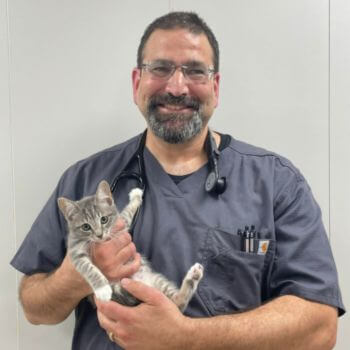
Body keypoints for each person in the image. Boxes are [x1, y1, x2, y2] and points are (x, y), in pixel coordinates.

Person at [11, 11, 345, 350]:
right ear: (136, 82)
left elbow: (319, 328)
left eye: (195, 71)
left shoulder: (276, 184)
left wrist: (185, 337)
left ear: (215, 87)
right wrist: (74, 276)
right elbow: (34, 306)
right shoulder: (85, 180)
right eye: (159, 68)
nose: (176, 86)